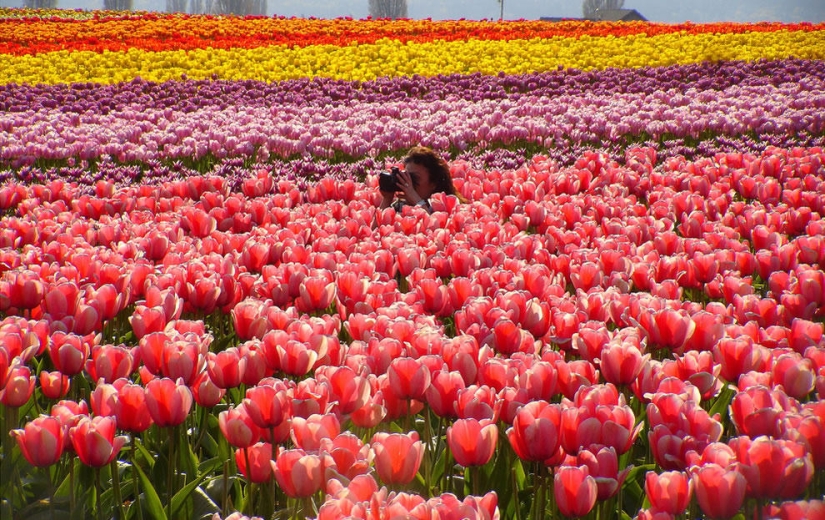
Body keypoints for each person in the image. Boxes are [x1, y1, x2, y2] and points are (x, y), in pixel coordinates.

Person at [377, 146, 459, 215]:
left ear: (433, 183)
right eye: (406, 176)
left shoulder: (445, 208)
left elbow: (433, 228)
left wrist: (416, 200)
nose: (408, 182)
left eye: (414, 177)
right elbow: (374, 232)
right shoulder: (400, 206)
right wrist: (387, 199)